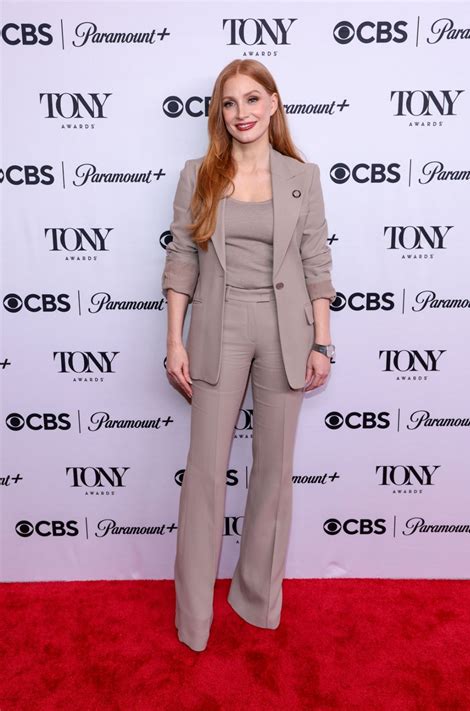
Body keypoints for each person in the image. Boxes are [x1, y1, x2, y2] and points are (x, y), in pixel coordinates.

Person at [161, 59, 337, 652]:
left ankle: (257, 598)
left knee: (274, 473)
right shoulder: (198, 175)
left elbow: (317, 263)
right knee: (206, 474)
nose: (242, 113)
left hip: (287, 329)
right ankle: (193, 618)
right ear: (221, 112)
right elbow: (182, 260)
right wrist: (174, 339)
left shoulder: (302, 177)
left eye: (252, 99)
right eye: (230, 103)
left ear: (273, 104)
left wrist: (322, 339)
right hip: (219, 322)